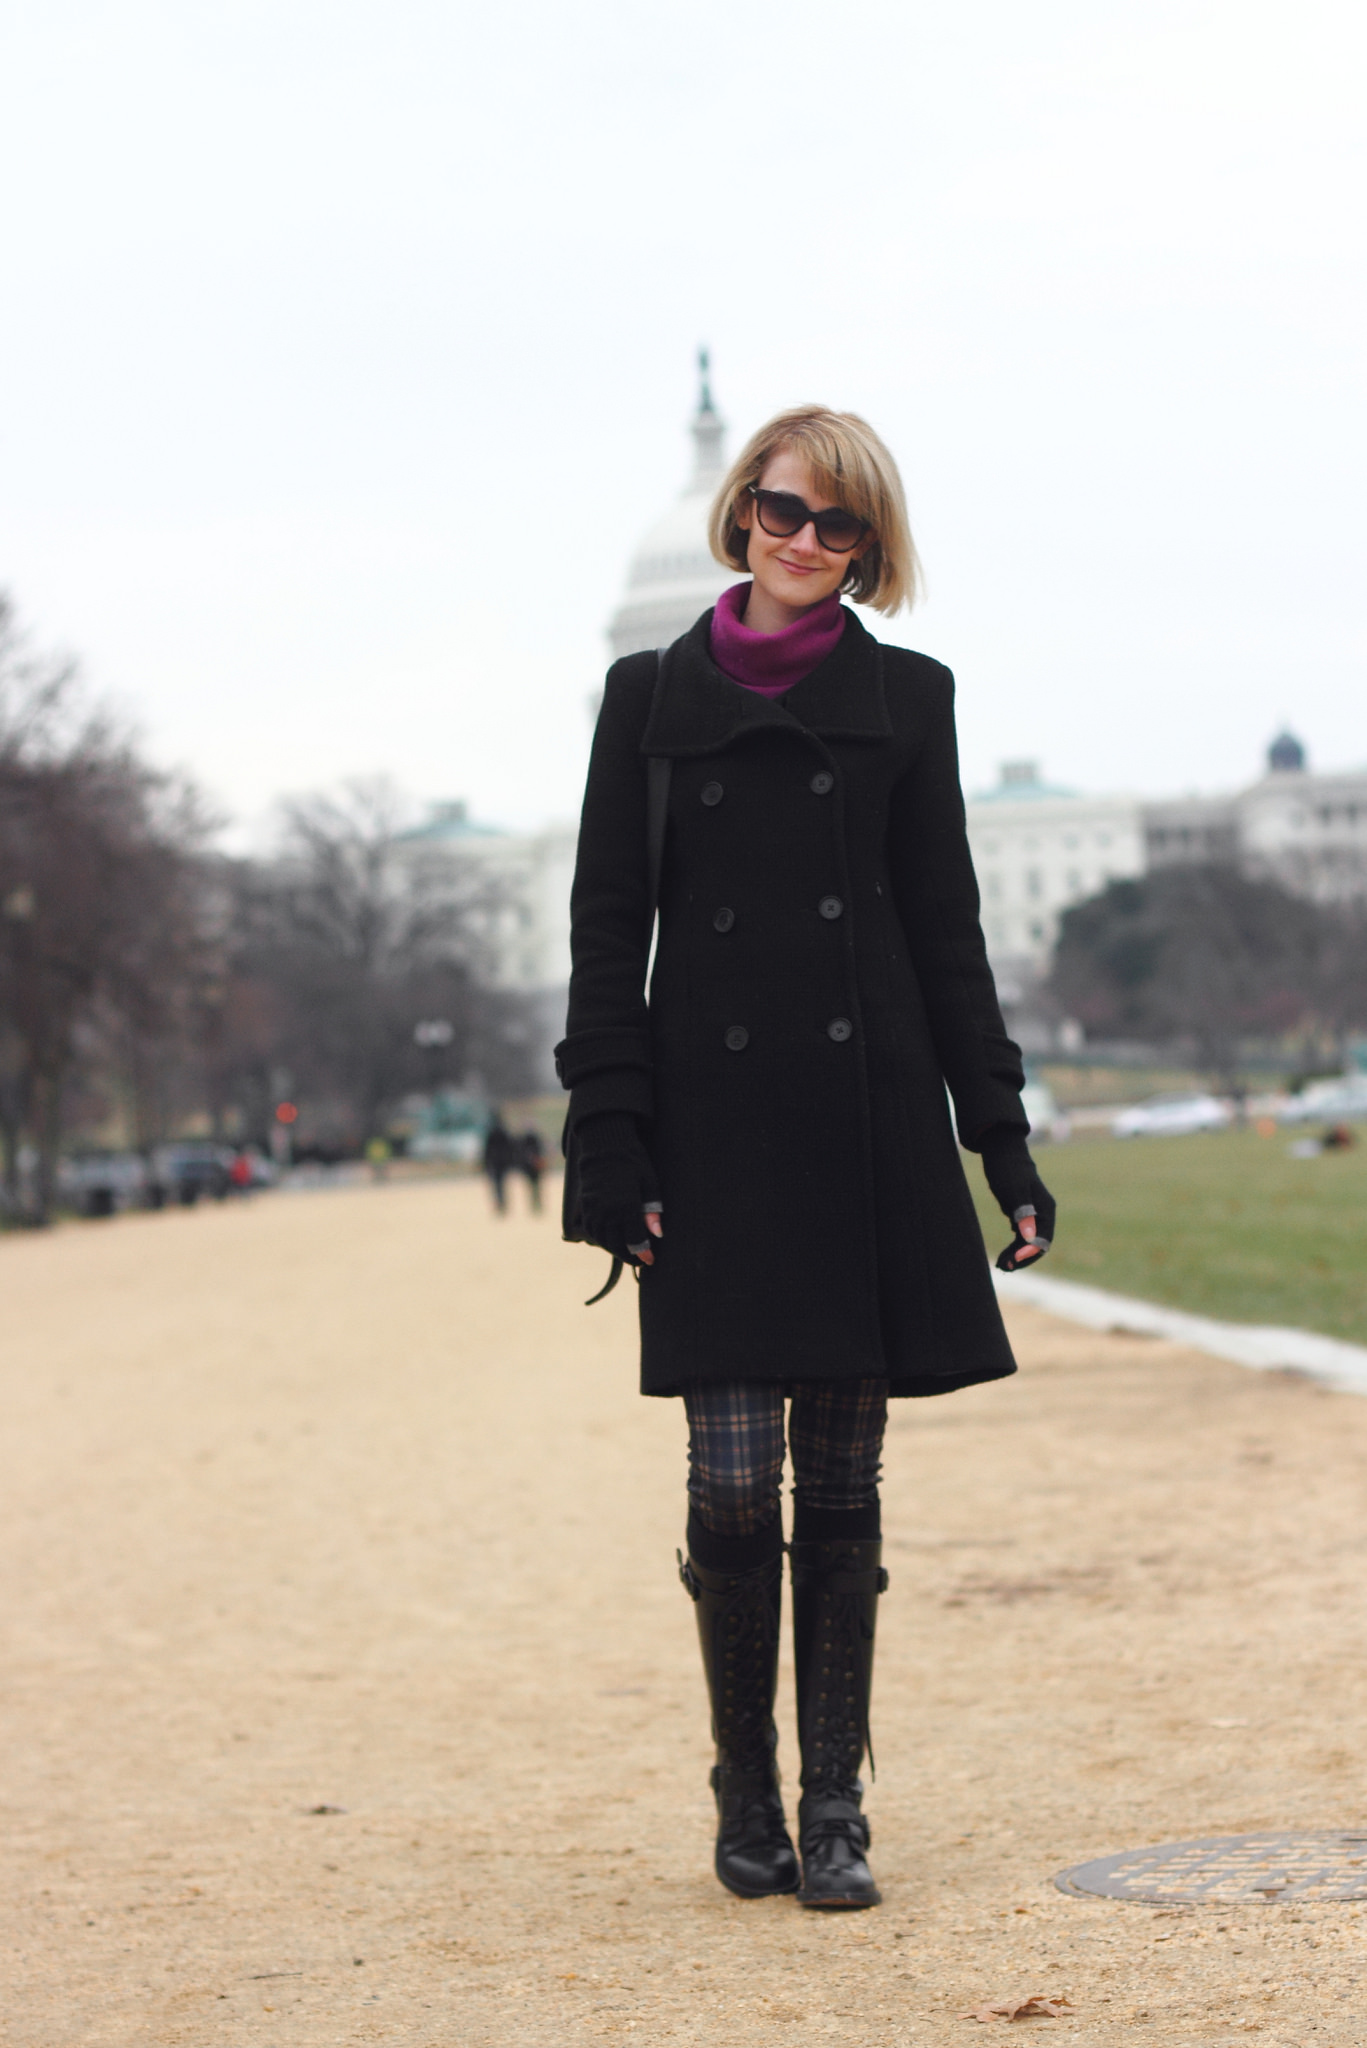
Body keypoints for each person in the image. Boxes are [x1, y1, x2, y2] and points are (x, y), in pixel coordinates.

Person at [556, 406, 1054, 1912]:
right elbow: (604, 932)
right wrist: (607, 1141)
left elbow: (942, 928)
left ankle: (830, 1803)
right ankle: (740, 1788)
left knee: (841, 1485)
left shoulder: (908, 698)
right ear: (740, 511)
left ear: (869, 548)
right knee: (726, 1485)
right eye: (783, 509)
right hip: (709, 1145)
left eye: (838, 525)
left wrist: (1000, 1140)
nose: (803, 541)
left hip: (861, 1125)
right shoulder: (646, 696)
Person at [481, 1113, 517, 1215]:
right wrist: (512, 1161)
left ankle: (500, 1204)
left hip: (495, 1163)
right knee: (503, 1185)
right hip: (504, 1162)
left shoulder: (491, 1132)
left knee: (497, 1185)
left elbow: (487, 1150)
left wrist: (485, 1163)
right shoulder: (504, 1131)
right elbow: (511, 1147)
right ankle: (503, 1204)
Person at [517, 1126, 547, 1212]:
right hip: (533, 1168)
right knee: (536, 1187)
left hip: (531, 1168)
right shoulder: (535, 1141)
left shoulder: (524, 1141)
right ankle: (536, 1204)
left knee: (533, 1187)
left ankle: (535, 1204)